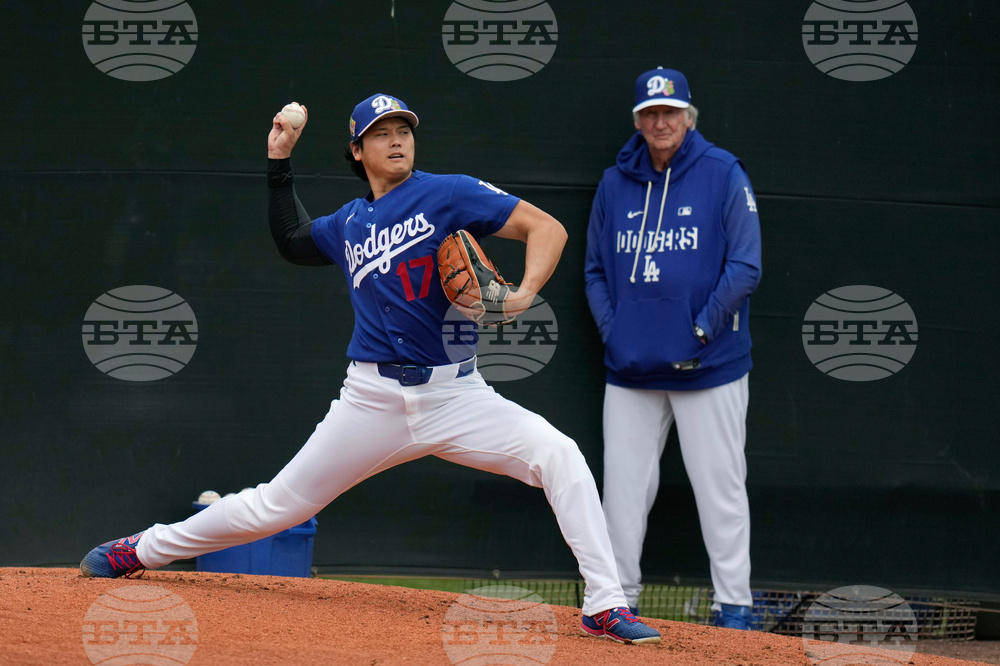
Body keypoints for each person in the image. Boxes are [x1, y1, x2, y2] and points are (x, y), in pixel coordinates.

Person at [80, 93, 662, 645]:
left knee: (560, 454)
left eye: (403, 130)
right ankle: (142, 549)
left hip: (457, 396)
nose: (396, 140)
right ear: (358, 151)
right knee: (277, 506)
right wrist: (279, 160)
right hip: (371, 400)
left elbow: (547, 228)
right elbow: (292, 240)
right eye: (381, 134)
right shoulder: (349, 223)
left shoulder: (448, 193)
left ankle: (604, 604)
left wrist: (524, 292)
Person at [584, 68, 762, 630]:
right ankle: (618, 602)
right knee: (622, 494)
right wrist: (617, 331)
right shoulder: (614, 182)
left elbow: (746, 265)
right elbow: (594, 271)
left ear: (688, 116)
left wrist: (702, 330)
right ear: (638, 121)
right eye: (650, 114)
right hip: (631, 366)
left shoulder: (722, 172)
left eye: (670, 112)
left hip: (709, 365)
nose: (661, 123)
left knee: (721, 491)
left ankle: (734, 607)